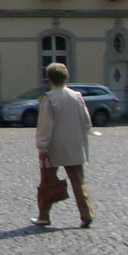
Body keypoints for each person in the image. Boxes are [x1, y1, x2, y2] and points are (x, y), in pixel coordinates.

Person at [33, 62, 95, 228]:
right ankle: (86, 214)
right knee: (78, 182)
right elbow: (87, 122)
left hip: (54, 147)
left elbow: (45, 125)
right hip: (75, 145)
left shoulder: (49, 98)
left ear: (49, 79)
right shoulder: (77, 96)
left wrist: (42, 146)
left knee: (47, 182)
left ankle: (44, 216)